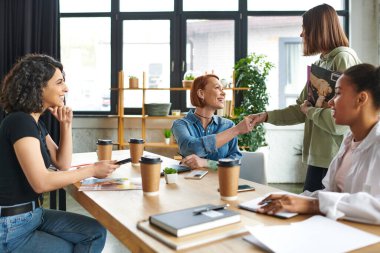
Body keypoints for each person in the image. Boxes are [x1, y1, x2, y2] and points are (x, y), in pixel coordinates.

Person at [0, 54, 120, 253]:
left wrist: (66, 125)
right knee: (69, 248)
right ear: (38, 86)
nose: (66, 88)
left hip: (33, 214)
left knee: (95, 232)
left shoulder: (35, 123)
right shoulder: (20, 122)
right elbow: (41, 182)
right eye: (59, 82)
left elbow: (61, 163)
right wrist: (92, 170)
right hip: (12, 226)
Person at [250, 4, 361, 192]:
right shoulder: (320, 62)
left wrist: (310, 110)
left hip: (335, 156)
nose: (302, 35)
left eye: (305, 28)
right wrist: (266, 116)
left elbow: (340, 122)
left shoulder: (342, 58)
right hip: (320, 157)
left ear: (319, 29)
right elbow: (301, 109)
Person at [257, 63, 380, 224]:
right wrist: (291, 199)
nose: (330, 102)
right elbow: (329, 193)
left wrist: (313, 204)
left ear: (361, 98)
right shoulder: (349, 141)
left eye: (338, 94)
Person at [171, 74, 253, 170]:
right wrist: (236, 130)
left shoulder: (228, 125)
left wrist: (207, 163)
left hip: (220, 181)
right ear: (201, 93)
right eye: (217, 88)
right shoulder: (181, 124)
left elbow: (235, 161)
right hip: (191, 182)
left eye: (223, 89)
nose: (223, 93)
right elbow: (191, 149)